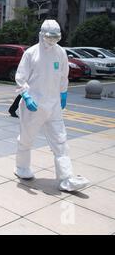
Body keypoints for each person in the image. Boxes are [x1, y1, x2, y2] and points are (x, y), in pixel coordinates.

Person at [14, 19, 89, 192]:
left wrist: (63, 93)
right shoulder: (31, 53)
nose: (53, 41)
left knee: (60, 141)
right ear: (42, 35)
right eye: (50, 37)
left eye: (56, 37)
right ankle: (22, 167)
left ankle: (66, 178)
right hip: (33, 105)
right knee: (26, 139)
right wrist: (25, 95)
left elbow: (64, 76)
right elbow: (20, 77)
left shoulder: (60, 52)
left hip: (54, 105)